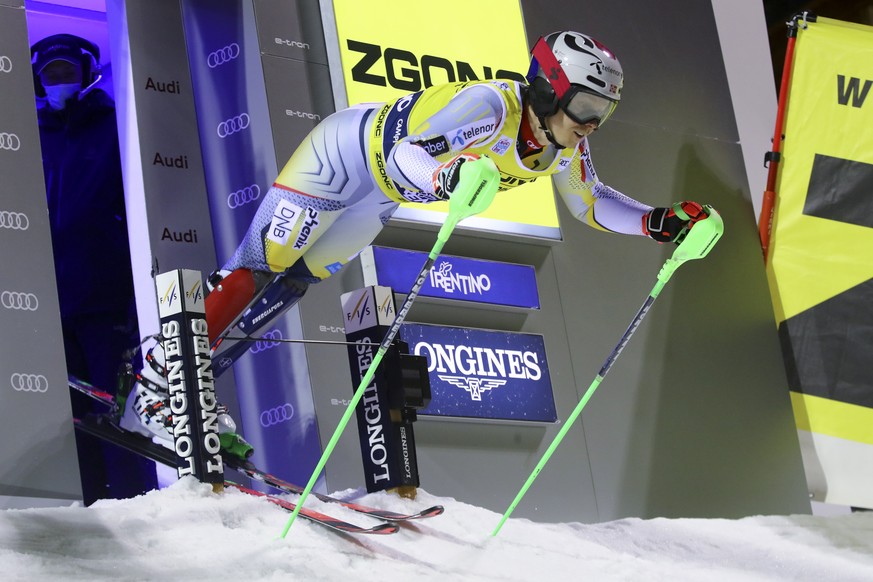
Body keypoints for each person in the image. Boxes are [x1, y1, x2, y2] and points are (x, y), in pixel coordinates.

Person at [123, 31, 710, 456]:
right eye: (585, 105)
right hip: (342, 157)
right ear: (550, 90)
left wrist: (655, 222)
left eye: (603, 110)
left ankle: (191, 396)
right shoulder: (491, 109)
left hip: (376, 196)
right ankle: (156, 379)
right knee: (260, 267)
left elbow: (589, 202)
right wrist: (450, 178)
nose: (592, 122)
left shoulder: (563, 145)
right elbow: (410, 153)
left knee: (293, 285)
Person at [31, 33, 157, 503]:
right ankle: (86, 504)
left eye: (67, 71)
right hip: (51, 302)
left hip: (105, 298)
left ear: (84, 74)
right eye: (51, 74)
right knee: (70, 413)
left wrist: (130, 296)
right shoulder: (29, 133)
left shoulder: (113, 123)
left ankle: (133, 500)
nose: (59, 80)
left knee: (116, 406)